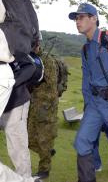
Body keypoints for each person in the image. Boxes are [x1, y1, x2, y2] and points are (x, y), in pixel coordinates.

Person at [68, 3, 108, 182]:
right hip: (94, 105)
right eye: (76, 18)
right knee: (82, 142)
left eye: (81, 17)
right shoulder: (86, 49)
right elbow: (86, 79)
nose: (77, 21)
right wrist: (88, 104)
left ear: (94, 18)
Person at [27, 33, 59, 180]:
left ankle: (44, 170)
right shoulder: (30, 58)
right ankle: (47, 152)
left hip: (46, 107)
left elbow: (51, 85)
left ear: (37, 43)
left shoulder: (47, 60)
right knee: (29, 139)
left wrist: (36, 85)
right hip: (34, 105)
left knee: (44, 140)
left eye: (33, 43)